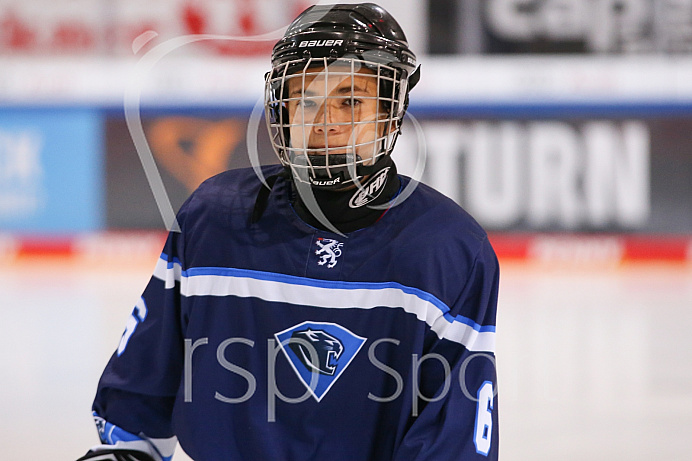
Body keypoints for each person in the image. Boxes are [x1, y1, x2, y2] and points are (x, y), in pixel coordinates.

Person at [78, 3, 500, 461]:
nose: (326, 121)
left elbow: (453, 438)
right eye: (307, 99)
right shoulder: (214, 218)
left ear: (391, 111)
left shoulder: (448, 250)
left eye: (351, 100)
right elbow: (140, 395)